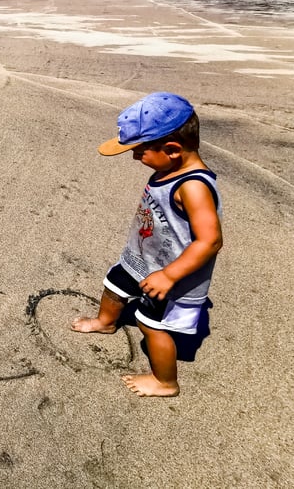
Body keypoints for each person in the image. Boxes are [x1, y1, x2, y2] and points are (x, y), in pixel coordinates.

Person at [71, 92, 223, 397]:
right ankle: (105, 322)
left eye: (140, 151)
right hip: (142, 257)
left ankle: (165, 382)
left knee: (152, 325)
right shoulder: (168, 168)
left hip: (171, 274)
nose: (134, 157)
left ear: (171, 149)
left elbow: (211, 240)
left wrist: (169, 276)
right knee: (114, 285)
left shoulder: (193, 187)